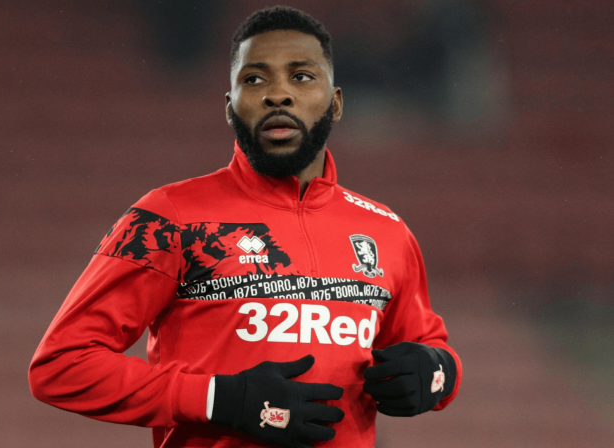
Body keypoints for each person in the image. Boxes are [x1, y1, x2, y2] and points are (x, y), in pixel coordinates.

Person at [29, 6, 462, 448]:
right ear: (229, 106)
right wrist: (221, 398)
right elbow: (61, 365)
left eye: (302, 77)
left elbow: (431, 347)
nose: (278, 94)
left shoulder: (386, 230)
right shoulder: (169, 217)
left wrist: (436, 373)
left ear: (335, 102)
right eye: (254, 79)